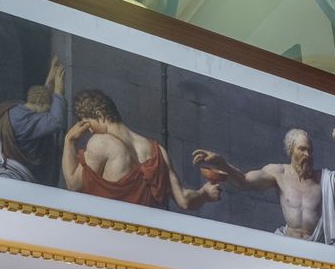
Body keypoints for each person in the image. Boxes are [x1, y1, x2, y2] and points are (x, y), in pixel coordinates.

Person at [62, 89, 220, 211]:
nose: (89, 131)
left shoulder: (101, 143)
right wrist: (204, 194)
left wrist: (69, 140)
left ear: (99, 115)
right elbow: (184, 200)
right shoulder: (158, 151)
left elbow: (73, 185)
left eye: (87, 123)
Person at [193, 121, 335, 241]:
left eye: (310, 150)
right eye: (302, 149)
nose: (307, 155)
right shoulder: (278, 173)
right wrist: (220, 161)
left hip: (316, 245)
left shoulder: (323, 178)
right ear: (291, 151)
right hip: (288, 242)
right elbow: (243, 181)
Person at [0, 56, 68, 186]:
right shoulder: (26, 122)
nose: (49, 109)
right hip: (22, 173)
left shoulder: (17, 108)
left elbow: (42, 100)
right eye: (47, 106)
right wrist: (58, 90)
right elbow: (57, 121)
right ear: (40, 103)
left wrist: (50, 79)